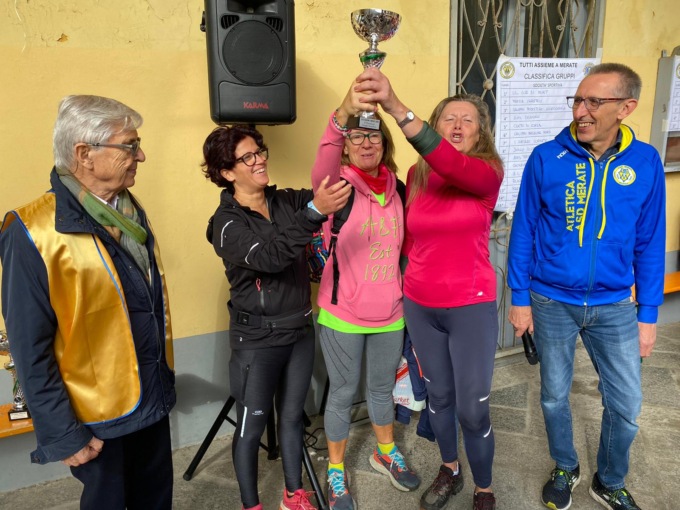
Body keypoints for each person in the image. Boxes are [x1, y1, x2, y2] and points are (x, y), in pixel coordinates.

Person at [0, 95, 176, 509]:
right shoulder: (32, 231)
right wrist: (63, 433)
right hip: (96, 417)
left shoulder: (128, 212)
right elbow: (29, 345)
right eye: (130, 146)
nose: (141, 156)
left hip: (150, 399)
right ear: (84, 154)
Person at [507, 63, 666, 510]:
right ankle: (565, 465)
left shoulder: (645, 162)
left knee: (626, 404)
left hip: (615, 305)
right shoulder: (546, 157)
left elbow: (651, 241)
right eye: (578, 100)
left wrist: (648, 314)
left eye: (594, 101)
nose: (581, 111)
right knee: (554, 396)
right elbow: (524, 230)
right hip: (551, 300)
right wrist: (519, 298)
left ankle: (609, 480)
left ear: (626, 107)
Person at [355, 67, 504, 510]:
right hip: (421, 305)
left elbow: (450, 164)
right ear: (436, 126)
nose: (457, 126)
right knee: (438, 397)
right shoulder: (417, 175)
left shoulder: (486, 172)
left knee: (473, 408)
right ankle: (450, 469)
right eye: (448, 119)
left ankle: (485, 488)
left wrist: (396, 107)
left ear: (480, 132)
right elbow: (409, 239)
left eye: (467, 120)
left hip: (470, 306)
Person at [202, 124, 351, 510]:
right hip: (257, 342)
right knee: (251, 429)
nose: (260, 160)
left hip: (299, 331)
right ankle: (251, 505)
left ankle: (292, 494)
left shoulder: (286, 201)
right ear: (226, 172)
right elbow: (269, 257)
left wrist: (345, 131)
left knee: (291, 419)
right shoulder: (226, 225)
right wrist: (314, 213)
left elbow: (327, 187)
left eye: (260, 151)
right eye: (247, 157)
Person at [310, 80, 420, 509]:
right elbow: (324, 155)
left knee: (380, 389)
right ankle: (336, 471)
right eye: (356, 136)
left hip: (391, 312)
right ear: (346, 146)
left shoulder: (399, 190)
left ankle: (385, 452)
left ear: (384, 143)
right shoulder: (335, 187)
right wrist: (341, 114)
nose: (366, 143)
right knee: (341, 393)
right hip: (343, 314)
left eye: (373, 135)